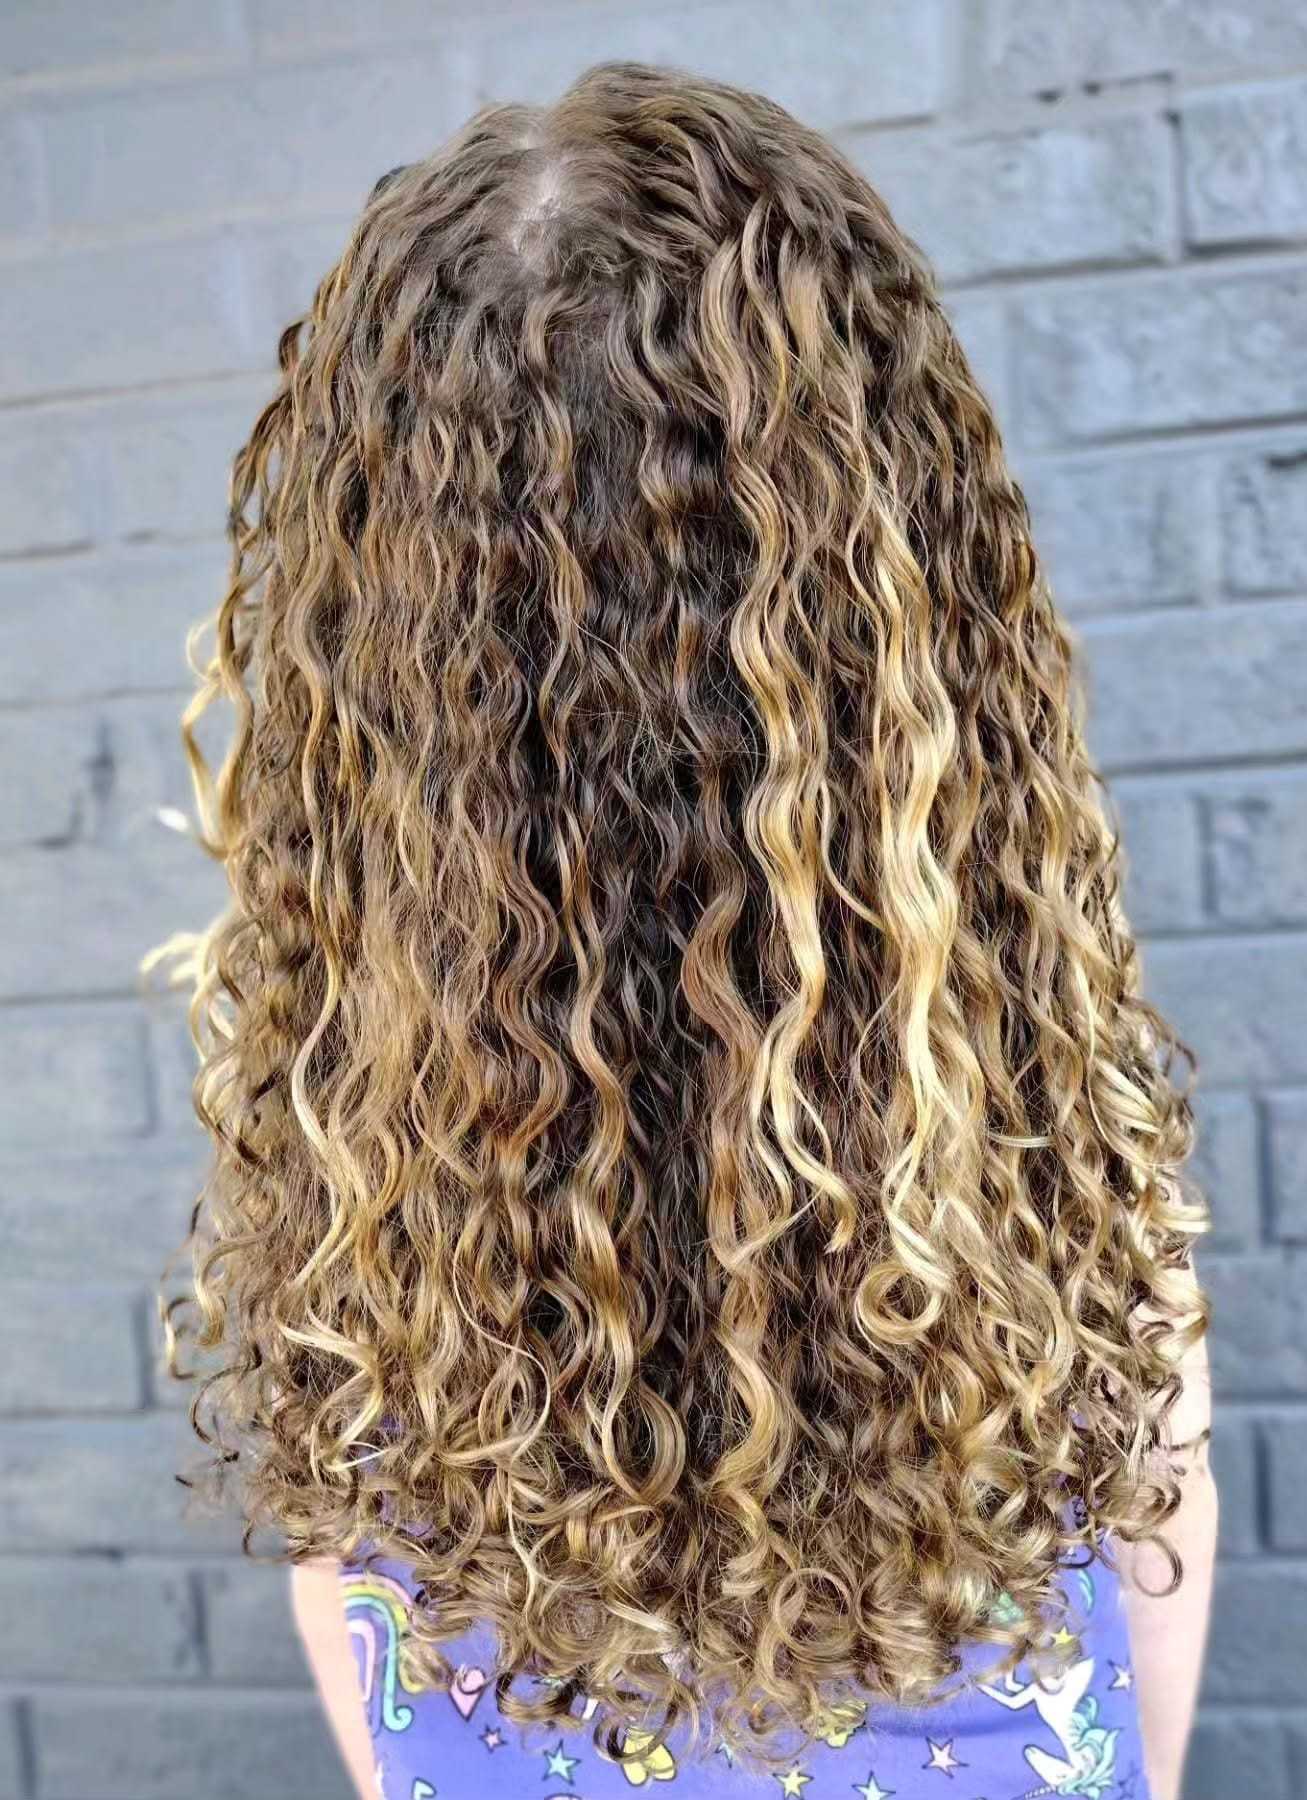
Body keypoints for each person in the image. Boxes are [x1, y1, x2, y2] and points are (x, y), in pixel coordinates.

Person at [163, 61, 1217, 1800]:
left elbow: (346, 1593)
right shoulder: (1025, 1078)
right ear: (906, 574)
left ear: (386, 623)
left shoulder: (351, 1115)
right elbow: (1154, 1525)